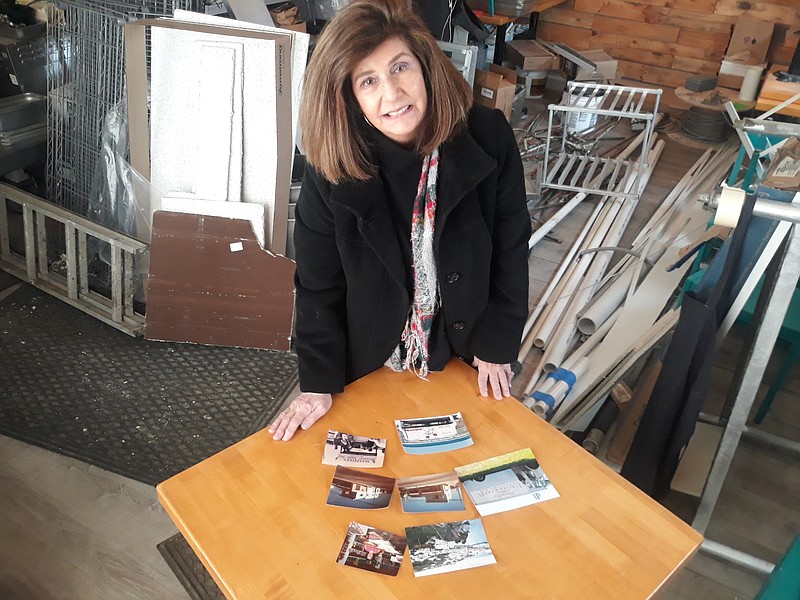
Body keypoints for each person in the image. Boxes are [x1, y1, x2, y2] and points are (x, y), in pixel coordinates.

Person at [268, 0, 531, 442]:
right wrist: (318, 380)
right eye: (367, 80)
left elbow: (511, 245)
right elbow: (318, 284)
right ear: (348, 97)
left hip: (466, 348)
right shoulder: (330, 167)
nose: (391, 94)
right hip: (371, 357)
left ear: (425, 66)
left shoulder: (487, 135)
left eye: (400, 67)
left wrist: (497, 344)